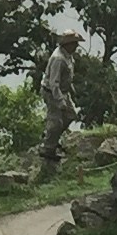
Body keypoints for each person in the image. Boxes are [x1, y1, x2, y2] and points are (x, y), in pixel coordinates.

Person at [38, 30, 81, 168]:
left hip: (63, 91)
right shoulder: (58, 58)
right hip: (52, 92)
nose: (76, 46)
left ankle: (52, 137)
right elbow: (53, 82)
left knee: (70, 115)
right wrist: (60, 101)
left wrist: (71, 90)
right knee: (56, 121)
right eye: (74, 43)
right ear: (68, 44)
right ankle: (48, 148)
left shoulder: (68, 56)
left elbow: (67, 76)